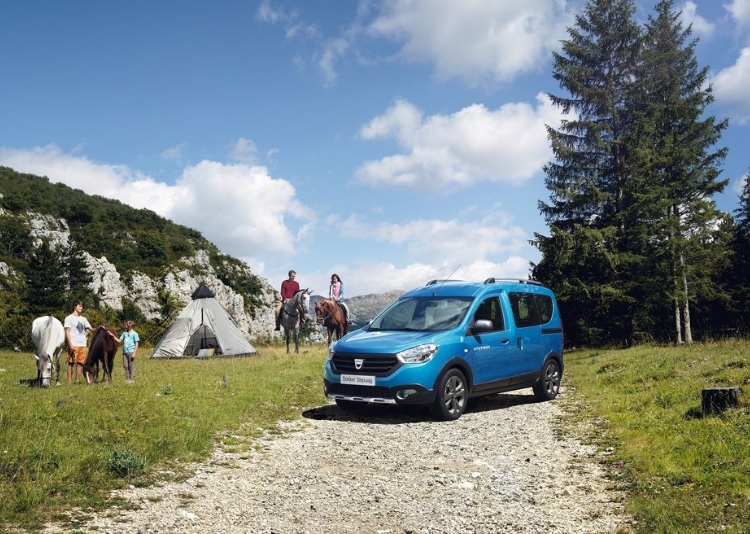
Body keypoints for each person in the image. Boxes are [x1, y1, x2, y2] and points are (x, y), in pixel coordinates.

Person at [64, 300, 93, 385]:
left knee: (80, 363)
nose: (82, 308)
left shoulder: (83, 319)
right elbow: (67, 332)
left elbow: (91, 329)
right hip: (74, 344)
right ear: (75, 306)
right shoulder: (68, 318)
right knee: (70, 363)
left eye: (82, 306)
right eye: (80, 306)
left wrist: (99, 328)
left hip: (82, 344)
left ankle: (77, 381)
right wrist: (70, 344)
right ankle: (69, 382)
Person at [115, 319, 140, 383]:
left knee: (130, 365)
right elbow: (119, 341)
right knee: (125, 365)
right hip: (124, 352)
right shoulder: (124, 333)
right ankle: (127, 378)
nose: (124, 325)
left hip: (131, 352)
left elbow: (137, 343)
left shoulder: (135, 334)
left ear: (129, 325)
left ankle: (132, 379)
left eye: (126, 324)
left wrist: (134, 353)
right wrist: (112, 336)